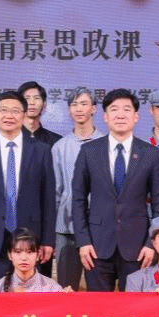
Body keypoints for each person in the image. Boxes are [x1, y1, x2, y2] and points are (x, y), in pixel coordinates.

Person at [72, 88, 159, 291]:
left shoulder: (150, 153)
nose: (120, 114)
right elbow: (78, 199)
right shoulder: (89, 151)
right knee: (98, 307)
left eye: (126, 109)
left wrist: (151, 244)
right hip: (96, 246)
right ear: (105, 117)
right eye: (114, 109)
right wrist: (83, 241)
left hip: (138, 248)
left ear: (136, 117)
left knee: (135, 307)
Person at [0, 90, 57, 289]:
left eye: (15, 111)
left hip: (31, 242)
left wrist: (48, 241)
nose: (9, 116)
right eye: (4, 110)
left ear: (24, 115)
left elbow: (48, 200)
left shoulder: (41, 150)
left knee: (31, 299)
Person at [51, 86, 103, 290]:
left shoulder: (106, 143)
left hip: (99, 227)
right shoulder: (60, 147)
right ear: (68, 110)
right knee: (66, 288)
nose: (79, 109)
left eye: (83, 103)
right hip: (66, 228)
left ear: (94, 109)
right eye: (74, 104)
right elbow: (56, 192)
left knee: (98, 289)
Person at [0, 228, 67, 293]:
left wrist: (67, 298)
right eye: (18, 252)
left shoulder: (51, 288)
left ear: (38, 255)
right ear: (10, 255)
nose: (24, 258)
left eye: (29, 252)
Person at [18, 80, 61, 146]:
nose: (32, 102)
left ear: (44, 104)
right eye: (27, 98)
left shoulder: (56, 141)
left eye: (37, 98)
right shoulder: (9, 139)